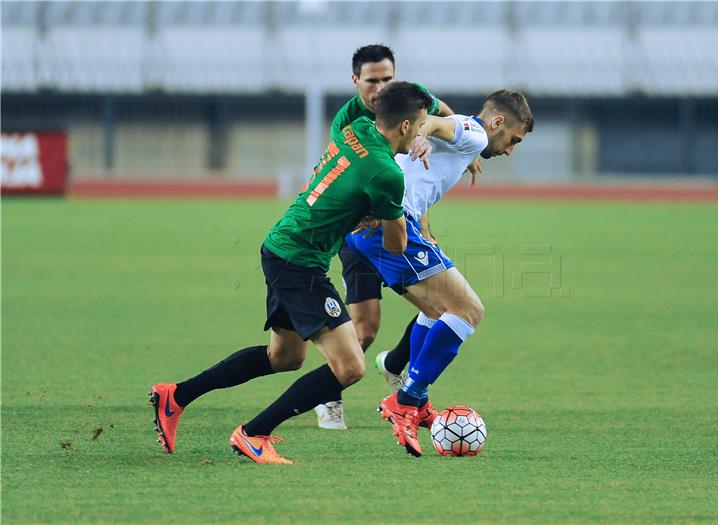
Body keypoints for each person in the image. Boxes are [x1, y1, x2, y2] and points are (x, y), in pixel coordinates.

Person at [149, 82, 432, 464]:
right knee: (350, 367)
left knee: (284, 357)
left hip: (282, 245)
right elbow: (396, 245)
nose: (421, 132)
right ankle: (254, 433)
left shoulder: (356, 129)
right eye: (420, 125)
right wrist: (388, 215)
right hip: (301, 262)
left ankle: (176, 396)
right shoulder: (386, 174)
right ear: (403, 127)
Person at [346, 89, 534, 456]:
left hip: (379, 227)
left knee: (437, 311)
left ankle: (417, 401)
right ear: (497, 122)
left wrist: (432, 138)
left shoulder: (468, 139)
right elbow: (434, 120)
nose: (510, 149)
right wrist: (422, 133)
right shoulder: (475, 132)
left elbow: (431, 110)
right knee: (469, 311)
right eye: (513, 139)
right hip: (393, 228)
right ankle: (407, 399)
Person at [315, 43, 480, 430]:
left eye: (387, 78)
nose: (380, 87)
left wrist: (467, 149)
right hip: (361, 226)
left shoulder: (410, 99)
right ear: (355, 81)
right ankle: (329, 394)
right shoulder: (348, 122)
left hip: (392, 221)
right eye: (372, 80)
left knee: (439, 307)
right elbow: (364, 179)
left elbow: (443, 118)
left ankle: (402, 380)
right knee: (365, 328)